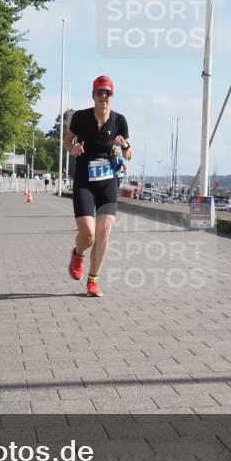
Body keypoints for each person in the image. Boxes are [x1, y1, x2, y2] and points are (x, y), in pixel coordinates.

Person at [64, 75, 132, 297]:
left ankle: (93, 280)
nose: (104, 96)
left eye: (108, 93)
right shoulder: (81, 118)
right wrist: (72, 149)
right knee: (88, 234)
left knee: (104, 233)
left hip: (107, 180)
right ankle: (78, 253)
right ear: (93, 95)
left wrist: (124, 146)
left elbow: (129, 154)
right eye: (100, 92)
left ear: (112, 96)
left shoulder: (119, 120)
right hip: (84, 177)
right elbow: (68, 140)